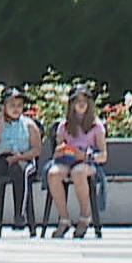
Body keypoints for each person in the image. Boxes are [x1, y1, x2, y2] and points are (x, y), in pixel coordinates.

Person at [46, 84, 107, 238]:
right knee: (53, 174)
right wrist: (60, 150)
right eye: (77, 100)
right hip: (66, 160)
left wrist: (87, 156)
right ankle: (64, 218)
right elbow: (57, 150)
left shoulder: (96, 125)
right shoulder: (64, 126)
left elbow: (103, 156)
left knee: (78, 172)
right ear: (71, 104)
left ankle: (85, 217)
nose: (81, 104)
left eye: (84, 100)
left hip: (88, 162)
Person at [0, 87, 42, 228]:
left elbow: (37, 150)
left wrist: (20, 157)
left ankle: (20, 213)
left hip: (24, 159)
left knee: (17, 170)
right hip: (4, 158)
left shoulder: (29, 125)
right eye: (12, 105)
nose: (16, 109)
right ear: (4, 107)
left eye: (19, 106)